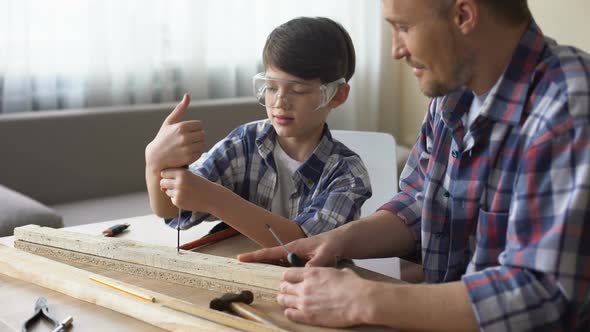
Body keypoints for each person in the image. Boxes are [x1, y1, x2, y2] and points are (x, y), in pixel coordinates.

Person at [238, 0, 590, 330]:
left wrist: (367, 299)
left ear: (464, 15)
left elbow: (542, 294)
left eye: (403, 27)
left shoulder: (569, 107)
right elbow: (421, 202)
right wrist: (338, 240)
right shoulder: (451, 95)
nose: (396, 50)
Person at [145, 17, 371, 247]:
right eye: (271, 87)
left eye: (299, 90)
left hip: (316, 281)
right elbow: (173, 211)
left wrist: (215, 199)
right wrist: (155, 163)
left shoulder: (347, 173)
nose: (280, 101)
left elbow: (305, 247)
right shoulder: (244, 143)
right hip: (243, 275)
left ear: (337, 95)